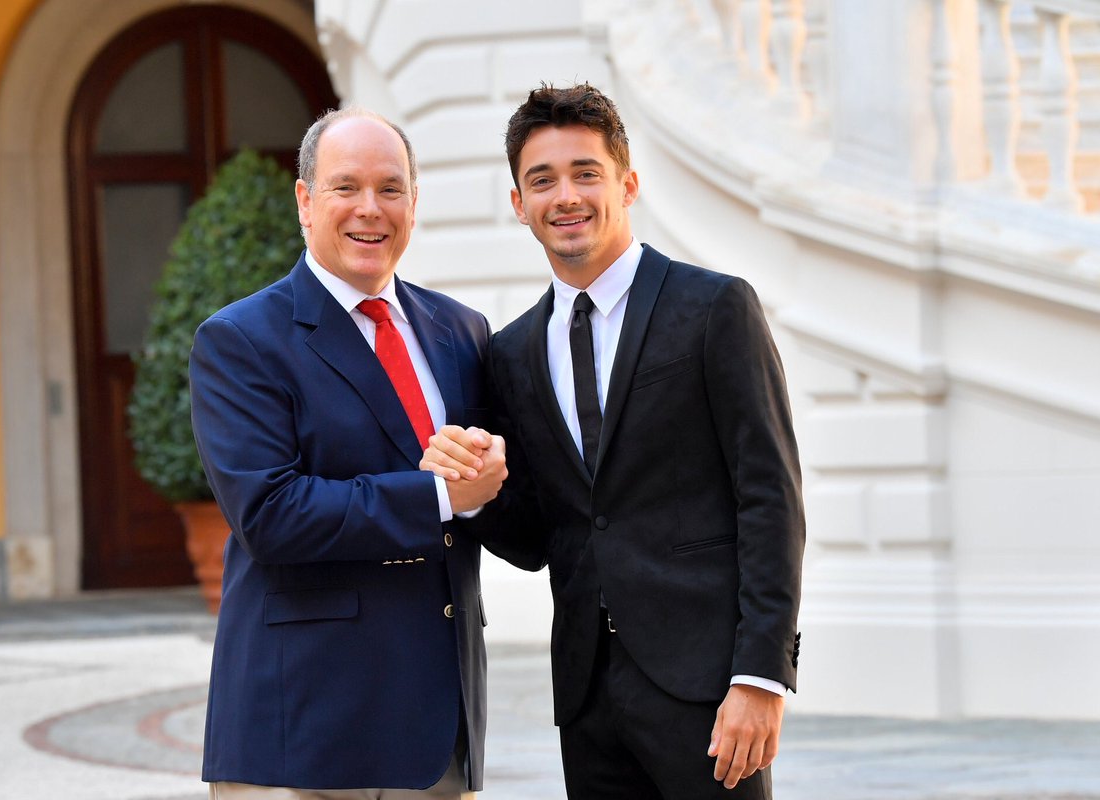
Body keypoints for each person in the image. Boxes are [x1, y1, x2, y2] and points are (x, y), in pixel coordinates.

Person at [421, 83, 805, 799]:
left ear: (626, 185)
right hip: (586, 693)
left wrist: (759, 675)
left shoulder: (713, 307)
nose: (565, 195)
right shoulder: (511, 353)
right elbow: (540, 536)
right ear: (519, 204)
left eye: (585, 173)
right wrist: (471, 496)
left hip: (708, 688)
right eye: (542, 181)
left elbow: (769, 496)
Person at [189, 107, 506, 800]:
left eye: (391, 189)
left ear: (414, 205)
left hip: (435, 736)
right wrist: (437, 496)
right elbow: (270, 515)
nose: (371, 209)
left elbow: (486, 502)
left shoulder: (462, 331)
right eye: (345, 187)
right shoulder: (240, 340)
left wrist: (491, 475)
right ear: (305, 201)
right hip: (302, 731)